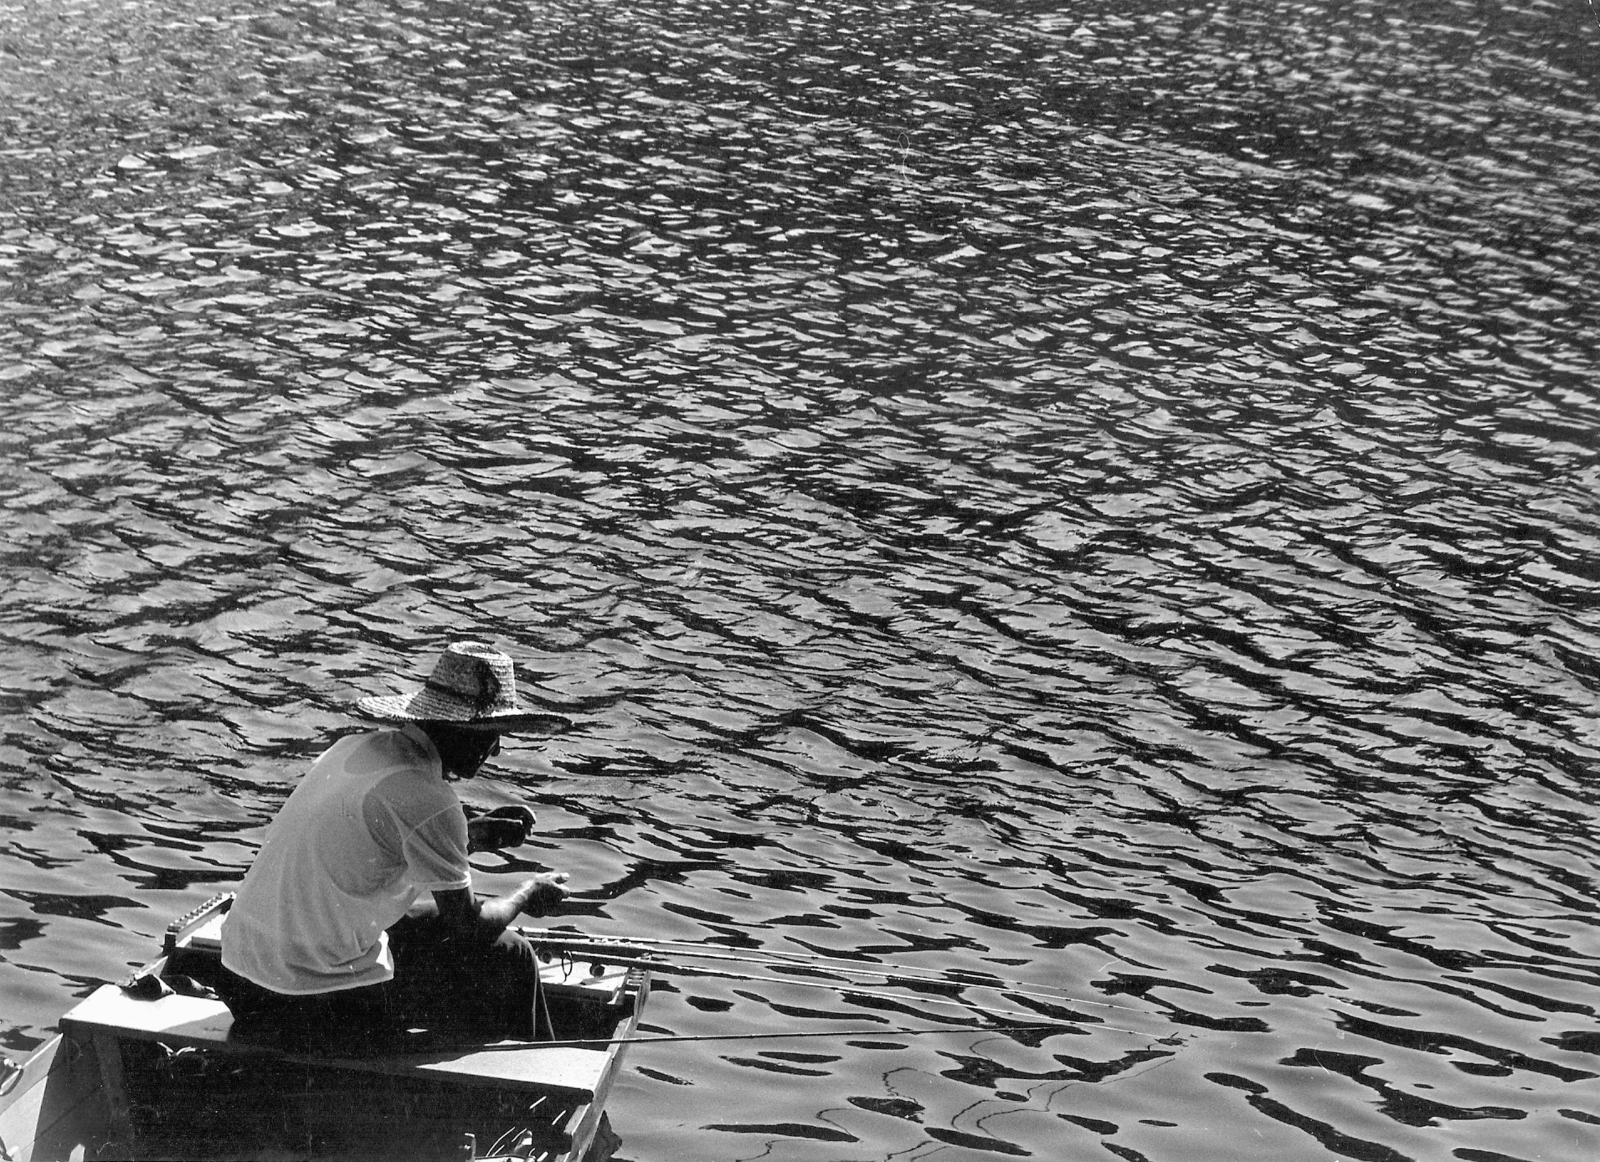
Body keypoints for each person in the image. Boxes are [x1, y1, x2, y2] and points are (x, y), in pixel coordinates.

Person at [215, 640, 570, 1051]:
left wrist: (472, 836)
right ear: (457, 729)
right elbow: (469, 927)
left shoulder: (352, 748)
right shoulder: (430, 799)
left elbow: (377, 848)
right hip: (301, 999)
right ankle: (534, 1083)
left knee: (421, 923)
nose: (497, 748)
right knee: (509, 954)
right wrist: (528, 892)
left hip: (236, 974)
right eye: (490, 734)